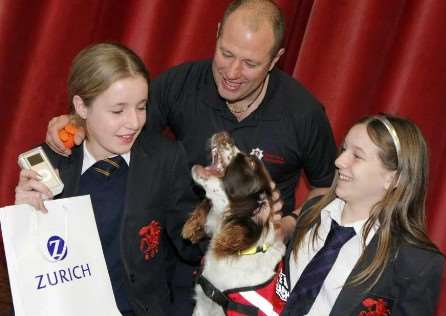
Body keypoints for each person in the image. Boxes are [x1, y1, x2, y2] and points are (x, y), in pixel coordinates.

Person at [44, 0, 336, 312]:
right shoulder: (179, 85)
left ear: (276, 59)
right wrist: (74, 124)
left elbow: (327, 187)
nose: (233, 73)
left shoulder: (303, 115)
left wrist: (288, 224)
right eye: (226, 54)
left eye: (250, 64)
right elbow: (118, 122)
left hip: (252, 264)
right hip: (181, 249)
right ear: (218, 33)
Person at [14, 43, 201, 316]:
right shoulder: (51, 161)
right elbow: (28, 269)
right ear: (82, 106)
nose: (134, 122)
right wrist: (24, 218)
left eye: (141, 107)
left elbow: (192, 245)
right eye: (118, 111)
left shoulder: (164, 159)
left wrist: (232, 218)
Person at [282, 114, 445, 315]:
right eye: (344, 150)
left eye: (357, 156)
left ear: (393, 179)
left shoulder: (415, 261)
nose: (339, 161)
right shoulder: (312, 213)